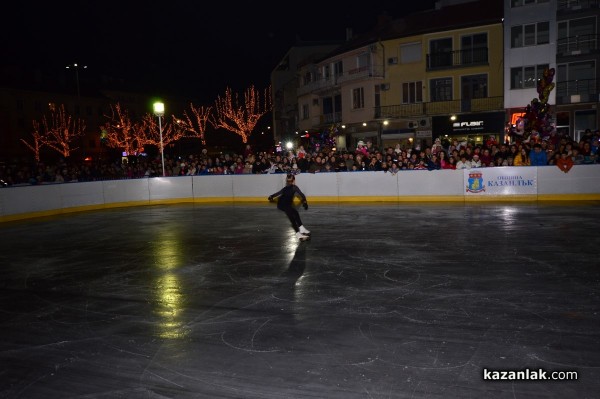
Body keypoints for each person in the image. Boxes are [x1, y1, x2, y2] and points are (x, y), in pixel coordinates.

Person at [268, 174, 311, 241]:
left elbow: (278, 193)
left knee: (295, 213)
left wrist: (271, 196)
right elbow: (302, 195)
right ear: (293, 180)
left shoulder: (287, 188)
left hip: (282, 204)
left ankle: (301, 228)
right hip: (284, 204)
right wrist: (305, 202)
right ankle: (298, 234)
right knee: (292, 217)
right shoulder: (294, 187)